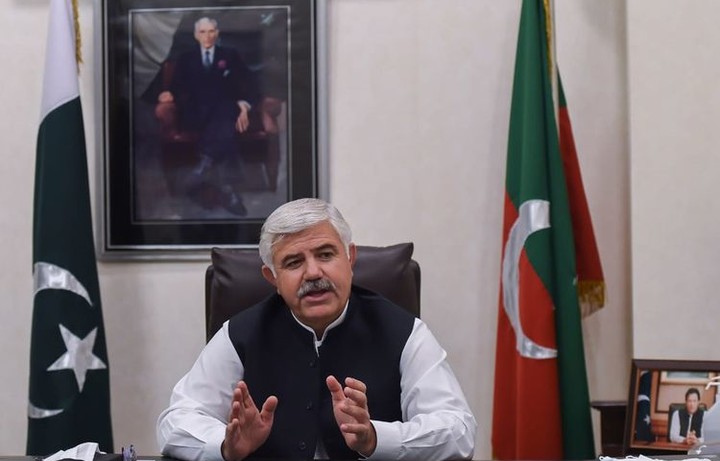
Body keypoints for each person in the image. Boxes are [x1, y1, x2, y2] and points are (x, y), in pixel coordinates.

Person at [156, 198, 477, 461]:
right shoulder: (241, 334)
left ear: (350, 258)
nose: (312, 273)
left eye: (325, 255)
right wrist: (226, 445)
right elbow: (176, 422)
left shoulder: (405, 332)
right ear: (272, 277)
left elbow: (458, 431)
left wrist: (376, 438)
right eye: (293, 262)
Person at [158, 17, 259, 216]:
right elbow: (176, 87)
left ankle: (205, 165)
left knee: (225, 113)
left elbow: (250, 83)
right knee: (226, 122)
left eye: (211, 31)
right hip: (196, 114)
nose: (208, 36)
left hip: (224, 111)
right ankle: (229, 191)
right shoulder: (186, 58)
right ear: (196, 35)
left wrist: (244, 106)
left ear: (217, 33)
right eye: (203, 32)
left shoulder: (230, 55)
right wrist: (168, 94)